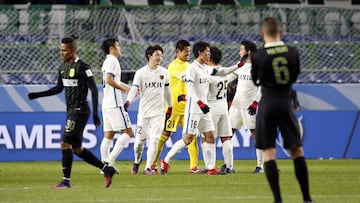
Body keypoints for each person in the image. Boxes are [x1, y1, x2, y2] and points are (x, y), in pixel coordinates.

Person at [27, 37, 116, 189]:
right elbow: (58, 88)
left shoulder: (83, 67)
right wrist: (37, 95)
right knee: (77, 149)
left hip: (80, 111)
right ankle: (106, 169)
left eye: (64, 50)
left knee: (65, 143)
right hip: (70, 112)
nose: (61, 53)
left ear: (73, 50)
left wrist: (95, 114)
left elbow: (94, 90)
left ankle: (65, 181)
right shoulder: (62, 68)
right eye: (60, 50)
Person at [251, 17, 313, 203]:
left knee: (269, 152)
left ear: (263, 34)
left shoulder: (258, 55)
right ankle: (307, 198)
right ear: (281, 32)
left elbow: (256, 81)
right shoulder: (292, 52)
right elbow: (294, 76)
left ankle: (278, 199)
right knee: (297, 150)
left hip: (267, 103)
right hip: (285, 102)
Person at [160, 41, 241, 175]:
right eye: (207, 52)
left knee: (209, 136)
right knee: (187, 139)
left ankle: (211, 168)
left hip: (205, 109)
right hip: (194, 109)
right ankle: (166, 160)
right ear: (200, 53)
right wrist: (199, 102)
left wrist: (238, 65)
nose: (209, 54)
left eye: (209, 52)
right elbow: (190, 87)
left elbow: (222, 71)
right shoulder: (192, 68)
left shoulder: (206, 68)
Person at [152, 40, 201, 173]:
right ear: (178, 52)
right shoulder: (172, 66)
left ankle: (193, 166)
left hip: (186, 109)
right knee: (164, 136)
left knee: (192, 136)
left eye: (189, 52)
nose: (188, 54)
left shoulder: (189, 65)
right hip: (172, 108)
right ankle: (153, 164)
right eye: (185, 52)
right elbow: (184, 77)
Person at [124, 45, 172, 175]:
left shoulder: (164, 72)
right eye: (157, 55)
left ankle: (148, 167)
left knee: (155, 139)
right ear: (150, 56)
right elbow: (134, 88)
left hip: (158, 113)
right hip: (144, 113)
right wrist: (128, 101)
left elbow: (167, 91)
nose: (160, 57)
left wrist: (171, 106)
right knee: (139, 143)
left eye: (161, 55)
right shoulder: (140, 73)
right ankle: (137, 161)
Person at [227, 40, 264, 173]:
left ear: (248, 51)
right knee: (228, 134)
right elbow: (226, 78)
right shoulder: (240, 66)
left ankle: (260, 165)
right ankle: (229, 165)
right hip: (236, 105)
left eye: (241, 49)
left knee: (255, 134)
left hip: (250, 106)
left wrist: (256, 102)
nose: (239, 52)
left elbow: (261, 86)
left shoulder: (258, 67)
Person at [99, 38, 134, 172]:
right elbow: (109, 80)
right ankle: (110, 160)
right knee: (128, 133)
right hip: (115, 103)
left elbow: (115, 80)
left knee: (109, 135)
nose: (120, 48)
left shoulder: (107, 61)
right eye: (118, 46)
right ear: (112, 48)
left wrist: (130, 88)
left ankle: (104, 166)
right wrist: (125, 90)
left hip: (106, 104)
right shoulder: (113, 61)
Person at [201, 46, 236, 174]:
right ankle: (230, 166)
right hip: (223, 108)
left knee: (206, 138)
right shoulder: (224, 72)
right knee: (226, 138)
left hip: (211, 109)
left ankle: (210, 166)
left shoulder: (207, 73)